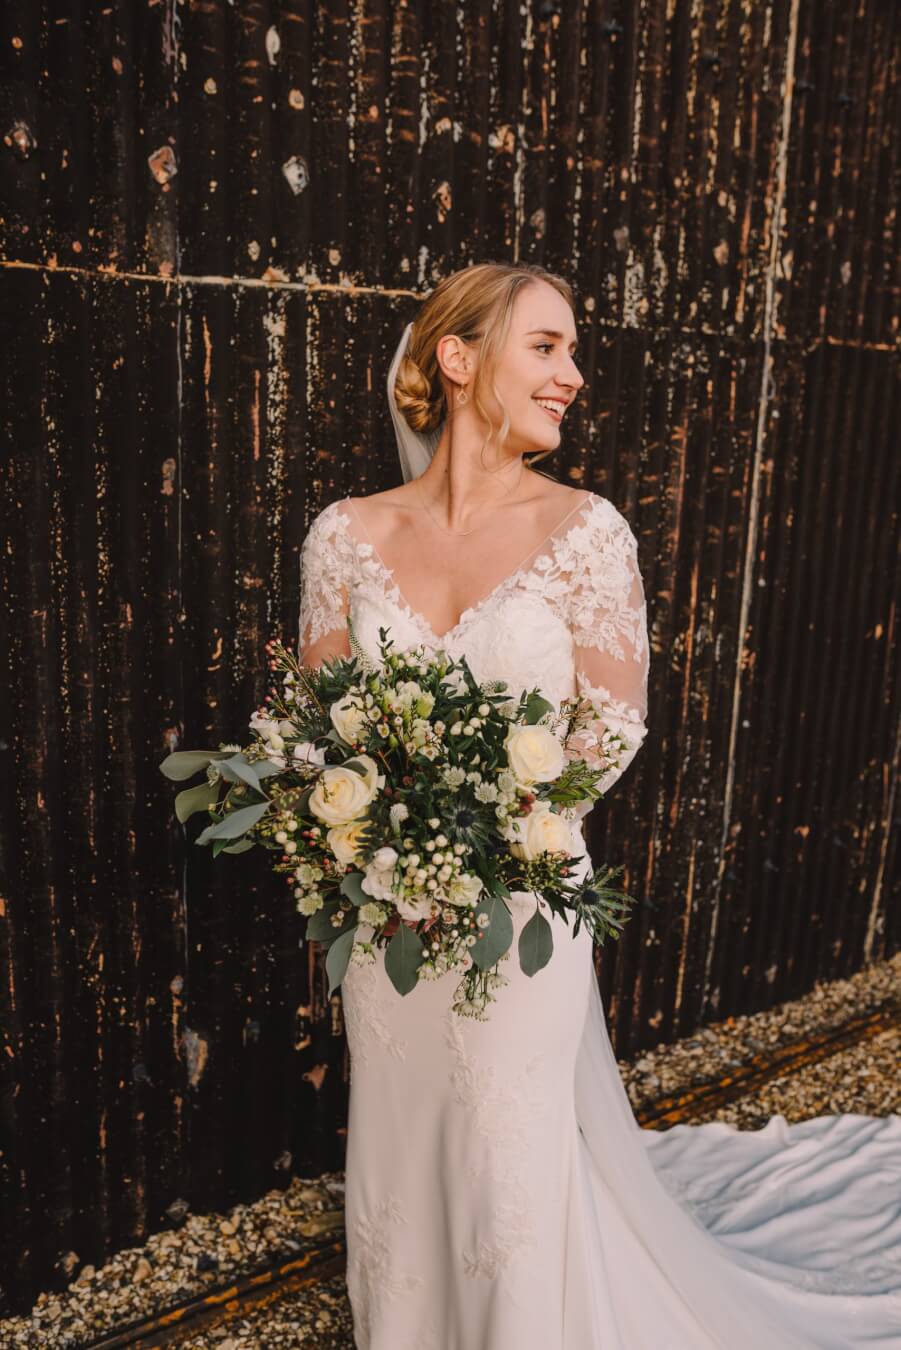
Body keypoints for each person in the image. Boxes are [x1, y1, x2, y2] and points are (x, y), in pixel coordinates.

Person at [297, 262, 901, 1348]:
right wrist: (382, 846)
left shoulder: (585, 532)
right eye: (546, 347)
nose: (572, 374)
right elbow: (321, 725)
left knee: (505, 1148)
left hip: (525, 892)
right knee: (400, 1131)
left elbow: (610, 727)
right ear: (457, 357)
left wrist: (490, 840)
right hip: (388, 907)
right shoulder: (345, 535)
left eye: (572, 352)